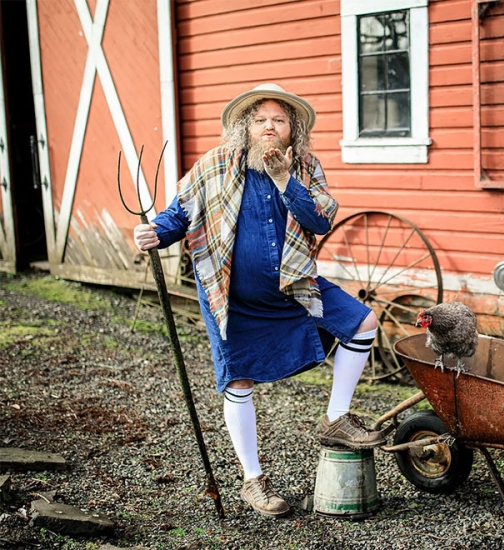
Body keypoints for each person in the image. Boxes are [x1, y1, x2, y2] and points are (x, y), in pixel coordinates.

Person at [133, 83, 386, 518]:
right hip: (231, 296)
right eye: (260, 119)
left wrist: (285, 180)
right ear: (245, 127)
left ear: (293, 130)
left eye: (279, 120)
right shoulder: (214, 165)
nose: (269, 126)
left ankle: (336, 418)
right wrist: (155, 231)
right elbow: (179, 213)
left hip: (294, 286)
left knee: (363, 322)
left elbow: (320, 219)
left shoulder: (305, 167)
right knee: (239, 381)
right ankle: (253, 481)